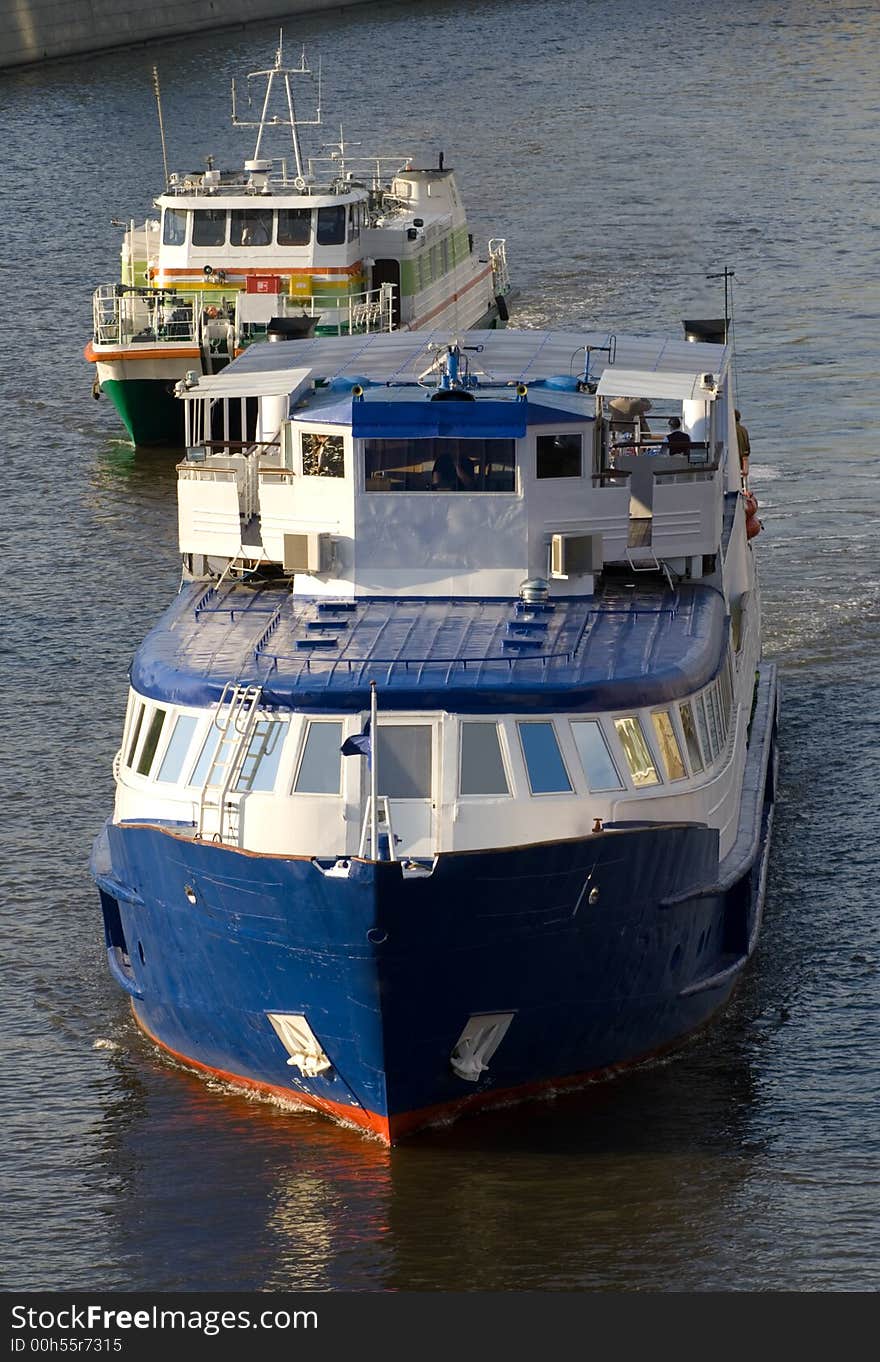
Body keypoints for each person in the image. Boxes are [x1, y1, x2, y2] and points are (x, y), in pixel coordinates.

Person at [735, 409, 750, 483]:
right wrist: (745, 468)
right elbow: (745, 452)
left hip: (733, 466)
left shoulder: (730, 429)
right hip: (741, 464)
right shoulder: (743, 430)